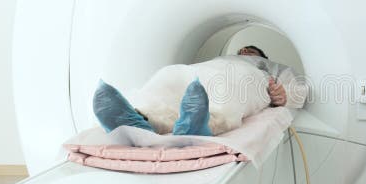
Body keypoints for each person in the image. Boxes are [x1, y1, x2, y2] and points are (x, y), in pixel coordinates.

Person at [93, 45, 307, 136]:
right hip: (200, 71)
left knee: (229, 93)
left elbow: (299, 85)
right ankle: (137, 115)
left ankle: (201, 124)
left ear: (261, 55)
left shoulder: (264, 66)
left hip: (245, 77)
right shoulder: (220, 57)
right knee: (170, 75)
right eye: (242, 50)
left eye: (250, 50)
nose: (244, 51)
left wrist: (285, 95)